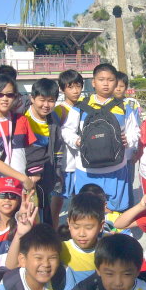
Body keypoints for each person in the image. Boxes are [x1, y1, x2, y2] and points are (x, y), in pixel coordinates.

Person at [61, 63, 139, 212]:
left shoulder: (124, 107)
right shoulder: (80, 107)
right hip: (86, 171)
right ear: (93, 82)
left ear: (116, 82)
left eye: (110, 80)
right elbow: (66, 130)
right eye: (101, 79)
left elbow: (135, 131)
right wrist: (76, 141)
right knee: (88, 211)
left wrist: (128, 140)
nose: (106, 83)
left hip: (117, 169)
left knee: (117, 210)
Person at [0, 73, 36, 190]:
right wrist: (23, 178)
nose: (4, 99)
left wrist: (34, 175)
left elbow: (31, 153)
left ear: (15, 96)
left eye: (9, 95)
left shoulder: (22, 120)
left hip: (22, 186)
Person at [24, 78, 64, 228]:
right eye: (42, 100)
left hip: (44, 176)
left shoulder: (53, 121)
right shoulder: (22, 117)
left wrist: (57, 176)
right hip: (24, 175)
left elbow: (57, 150)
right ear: (32, 98)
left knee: (42, 215)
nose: (46, 105)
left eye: (51, 101)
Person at [50, 69, 84, 225]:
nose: (75, 91)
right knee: (58, 199)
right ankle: (53, 229)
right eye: (70, 87)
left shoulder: (84, 107)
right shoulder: (59, 110)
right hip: (65, 164)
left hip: (81, 164)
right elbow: (59, 134)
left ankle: (75, 227)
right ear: (62, 89)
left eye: (78, 86)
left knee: (78, 201)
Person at [59, 192, 106, 290]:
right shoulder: (61, 249)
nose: (82, 234)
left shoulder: (106, 251)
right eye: (76, 227)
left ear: (101, 225)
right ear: (69, 223)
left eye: (89, 227)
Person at [114, 71, 142, 206]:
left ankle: (129, 208)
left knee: (128, 182)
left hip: (128, 154)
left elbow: (137, 128)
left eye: (122, 86)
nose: (118, 89)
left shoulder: (130, 105)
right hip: (112, 156)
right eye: (116, 86)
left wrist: (135, 148)